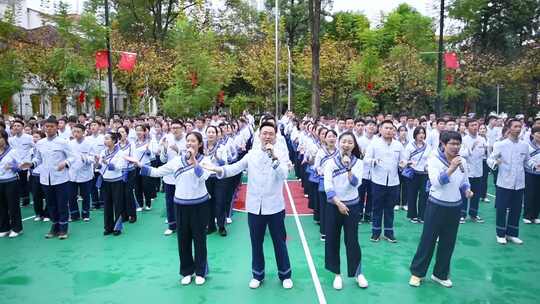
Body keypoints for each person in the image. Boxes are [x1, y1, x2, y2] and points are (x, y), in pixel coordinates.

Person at [202, 122, 294, 290]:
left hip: (275, 206)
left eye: (270, 134)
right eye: (264, 133)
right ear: (259, 136)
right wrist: (215, 169)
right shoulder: (251, 155)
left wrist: (273, 157)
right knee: (256, 242)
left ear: (275, 136)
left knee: (279, 242)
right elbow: (234, 168)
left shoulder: (280, 154)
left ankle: (285, 274)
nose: (267, 136)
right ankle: (257, 274)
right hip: (254, 207)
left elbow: (284, 175)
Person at [127, 132, 212, 286]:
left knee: (200, 239)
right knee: (183, 239)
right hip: (181, 204)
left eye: (193, 141)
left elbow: (203, 177)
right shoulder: (177, 161)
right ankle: (187, 271)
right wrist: (139, 165)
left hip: (199, 205)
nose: (190, 144)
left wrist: (194, 161)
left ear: (199, 144)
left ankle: (200, 272)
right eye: (188, 141)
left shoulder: (205, 160)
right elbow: (158, 172)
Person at [409, 131, 473, 288]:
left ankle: (440, 274)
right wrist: (451, 168)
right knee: (428, 240)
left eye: (458, 144)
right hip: (436, 205)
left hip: (455, 206)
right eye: (452, 144)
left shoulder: (462, 161)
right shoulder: (434, 160)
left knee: (448, 242)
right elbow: (436, 183)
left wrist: (467, 190)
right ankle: (417, 273)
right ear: (443, 144)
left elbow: (464, 180)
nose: (455, 147)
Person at [323, 131, 368, 290]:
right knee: (333, 240)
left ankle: (358, 273)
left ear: (354, 145)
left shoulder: (359, 163)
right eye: (344, 141)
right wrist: (338, 203)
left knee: (352, 240)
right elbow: (328, 186)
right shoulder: (330, 163)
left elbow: (356, 183)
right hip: (334, 206)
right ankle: (337, 274)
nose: (346, 144)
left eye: (350, 142)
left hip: (353, 206)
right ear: (338, 143)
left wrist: (349, 168)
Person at [22, 116, 75, 239]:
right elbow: (38, 159)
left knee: (61, 204)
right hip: (45, 178)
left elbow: (73, 157)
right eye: (47, 126)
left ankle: (63, 228)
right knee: (51, 204)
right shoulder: (40, 143)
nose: (49, 129)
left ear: (57, 127)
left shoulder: (63, 142)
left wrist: (65, 163)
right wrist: (31, 164)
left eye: (52, 126)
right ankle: (54, 226)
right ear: (44, 128)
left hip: (61, 178)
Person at [488, 118, 529, 245]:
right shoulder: (500, 144)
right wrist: (496, 162)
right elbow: (490, 159)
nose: (518, 129)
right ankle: (500, 234)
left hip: (519, 182)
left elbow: (527, 162)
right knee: (501, 208)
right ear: (509, 128)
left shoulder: (524, 145)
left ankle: (512, 233)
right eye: (515, 126)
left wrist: (535, 165)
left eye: (519, 126)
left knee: (516, 209)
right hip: (504, 182)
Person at [364, 120, 407, 243]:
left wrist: (403, 164)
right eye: (386, 128)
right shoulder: (374, 144)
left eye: (391, 128)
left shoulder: (398, 145)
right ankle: (375, 233)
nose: (389, 130)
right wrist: (374, 161)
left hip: (393, 181)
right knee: (377, 207)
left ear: (394, 131)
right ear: (381, 130)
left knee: (389, 208)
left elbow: (402, 160)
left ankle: (389, 233)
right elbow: (366, 159)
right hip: (378, 180)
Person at [96, 132, 127, 236]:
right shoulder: (103, 152)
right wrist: (97, 163)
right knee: (107, 204)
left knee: (118, 204)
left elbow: (119, 167)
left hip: (116, 181)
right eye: (105, 139)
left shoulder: (120, 153)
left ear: (114, 140)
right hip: (106, 181)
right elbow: (99, 167)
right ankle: (108, 227)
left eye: (107, 139)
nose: (105, 141)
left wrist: (107, 163)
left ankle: (117, 227)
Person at [460, 119, 487, 224]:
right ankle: (462, 215)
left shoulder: (482, 139)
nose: (475, 127)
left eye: (476, 125)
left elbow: (485, 154)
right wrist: (472, 147)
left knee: (476, 194)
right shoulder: (463, 140)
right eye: (472, 125)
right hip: (467, 172)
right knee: (465, 193)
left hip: (478, 171)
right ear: (467, 127)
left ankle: (474, 214)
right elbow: (462, 154)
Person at [403, 126, 431, 223]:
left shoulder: (428, 146)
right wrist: (410, 163)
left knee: (424, 194)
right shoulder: (410, 146)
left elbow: (430, 159)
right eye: (419, 133)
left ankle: (422, 215)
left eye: (423, 133)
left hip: (424, 173)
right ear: (415, 135)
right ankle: (412, 215)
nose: (421, 135)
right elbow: (404, 160)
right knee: (412, 194)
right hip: (413, 173)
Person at [68, 124, 94, 222]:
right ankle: (74, 214)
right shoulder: (70, 143)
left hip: (85, 173)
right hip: (72, 173)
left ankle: (85, 214)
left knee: (85, 195)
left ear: (83, 132)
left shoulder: (89, 144)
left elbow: (93, 158)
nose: (76, 134)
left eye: (78, 132)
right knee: (71, 195)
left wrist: (86, 159)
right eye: (74, 131)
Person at [0, 130, 23, 238]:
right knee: (1, 206)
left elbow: (20, 167)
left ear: (5, 138)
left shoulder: (12, 151)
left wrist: (12, 167)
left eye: (0, 137)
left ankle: (17, 228)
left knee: (13, 206)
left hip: (11, 182)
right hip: (0, 182)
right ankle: (4, 228)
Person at [523, 126, 540, 224]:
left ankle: (535, 215)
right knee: (530, 194)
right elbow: (525, 160)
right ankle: (527, 215)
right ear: (533, 134)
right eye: (538, 133)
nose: (539, 135)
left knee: (538, 195)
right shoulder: (527, 145)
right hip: (530, 173)